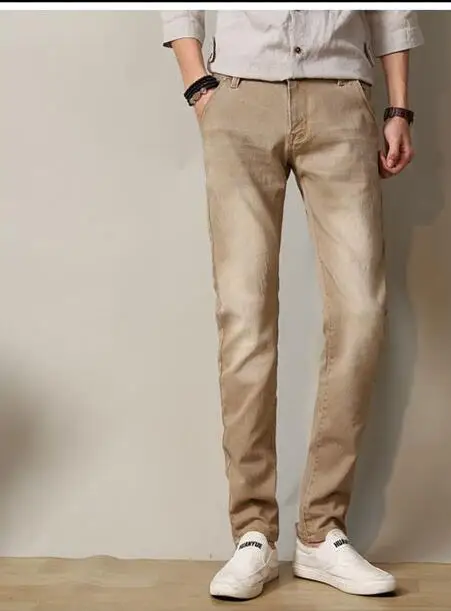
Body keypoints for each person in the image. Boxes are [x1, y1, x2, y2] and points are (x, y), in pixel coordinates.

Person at [161, 9, 423, 600]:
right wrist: (197, 82)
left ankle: (321, 531)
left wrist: (399, 108)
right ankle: (252, 534)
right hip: (239, 93)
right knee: (244, 318)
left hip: (341, 94)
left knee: (361, 314)